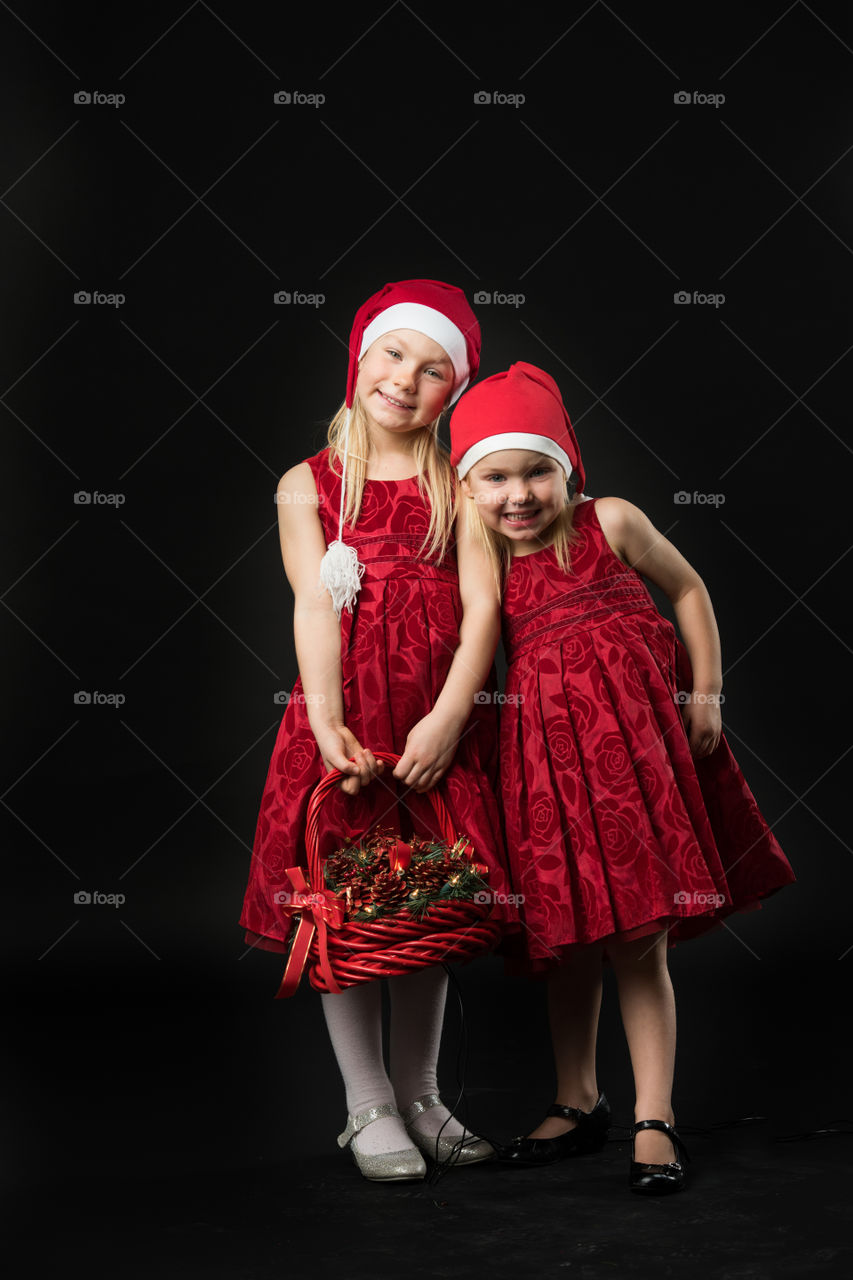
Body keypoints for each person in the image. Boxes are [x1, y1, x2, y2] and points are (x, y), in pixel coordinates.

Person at [449, 361, 795, 1194]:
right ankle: (577, 1099)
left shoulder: (611, 522)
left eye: (536, 469)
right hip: (550, 773)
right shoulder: (485, 555)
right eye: (493, 477)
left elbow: (688, 589)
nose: (518, 494)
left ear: (568, 467)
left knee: (640, 940)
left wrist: (705, 692)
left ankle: (654, 1115)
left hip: (638, 764)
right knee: (567, 945)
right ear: (468, 490)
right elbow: (470, 643)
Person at [240, 279, 514, 1181]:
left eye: (434, 369)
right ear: (361, 356)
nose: (406, 379)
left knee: (421, 907)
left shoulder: (457, 483)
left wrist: (446, 720)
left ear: (453, 391)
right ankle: (367, 1107)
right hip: (351, 731)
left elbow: (482, 614)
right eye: (394, 353)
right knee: (348, 910)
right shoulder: (306, 485)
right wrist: (324, 719)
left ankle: (423, 1096)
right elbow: (315, 609)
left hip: (433, 730)